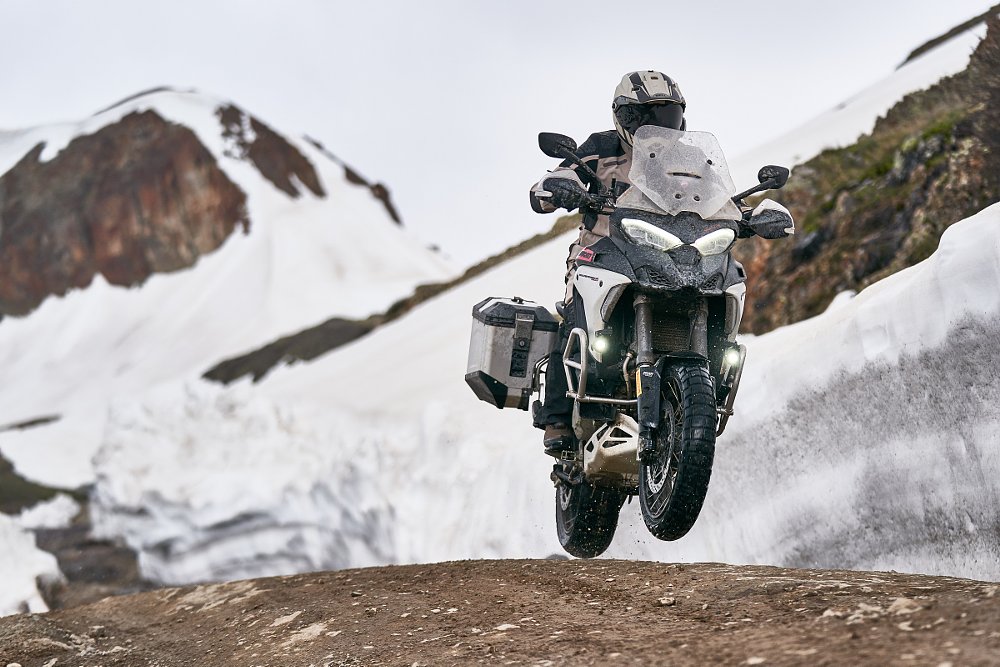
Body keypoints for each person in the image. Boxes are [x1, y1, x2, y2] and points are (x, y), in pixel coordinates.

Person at [529, 70, 687, 457]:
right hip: (602, 249)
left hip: (666, 252)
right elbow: (552, 182)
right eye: (645, 116)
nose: (656, 127)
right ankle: (557, 418)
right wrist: (558, 187)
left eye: (666, 116)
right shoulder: (601, 147)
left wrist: (746, 216)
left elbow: (717, 197)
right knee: (575, 313)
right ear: (623, 117)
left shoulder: (689, 157)